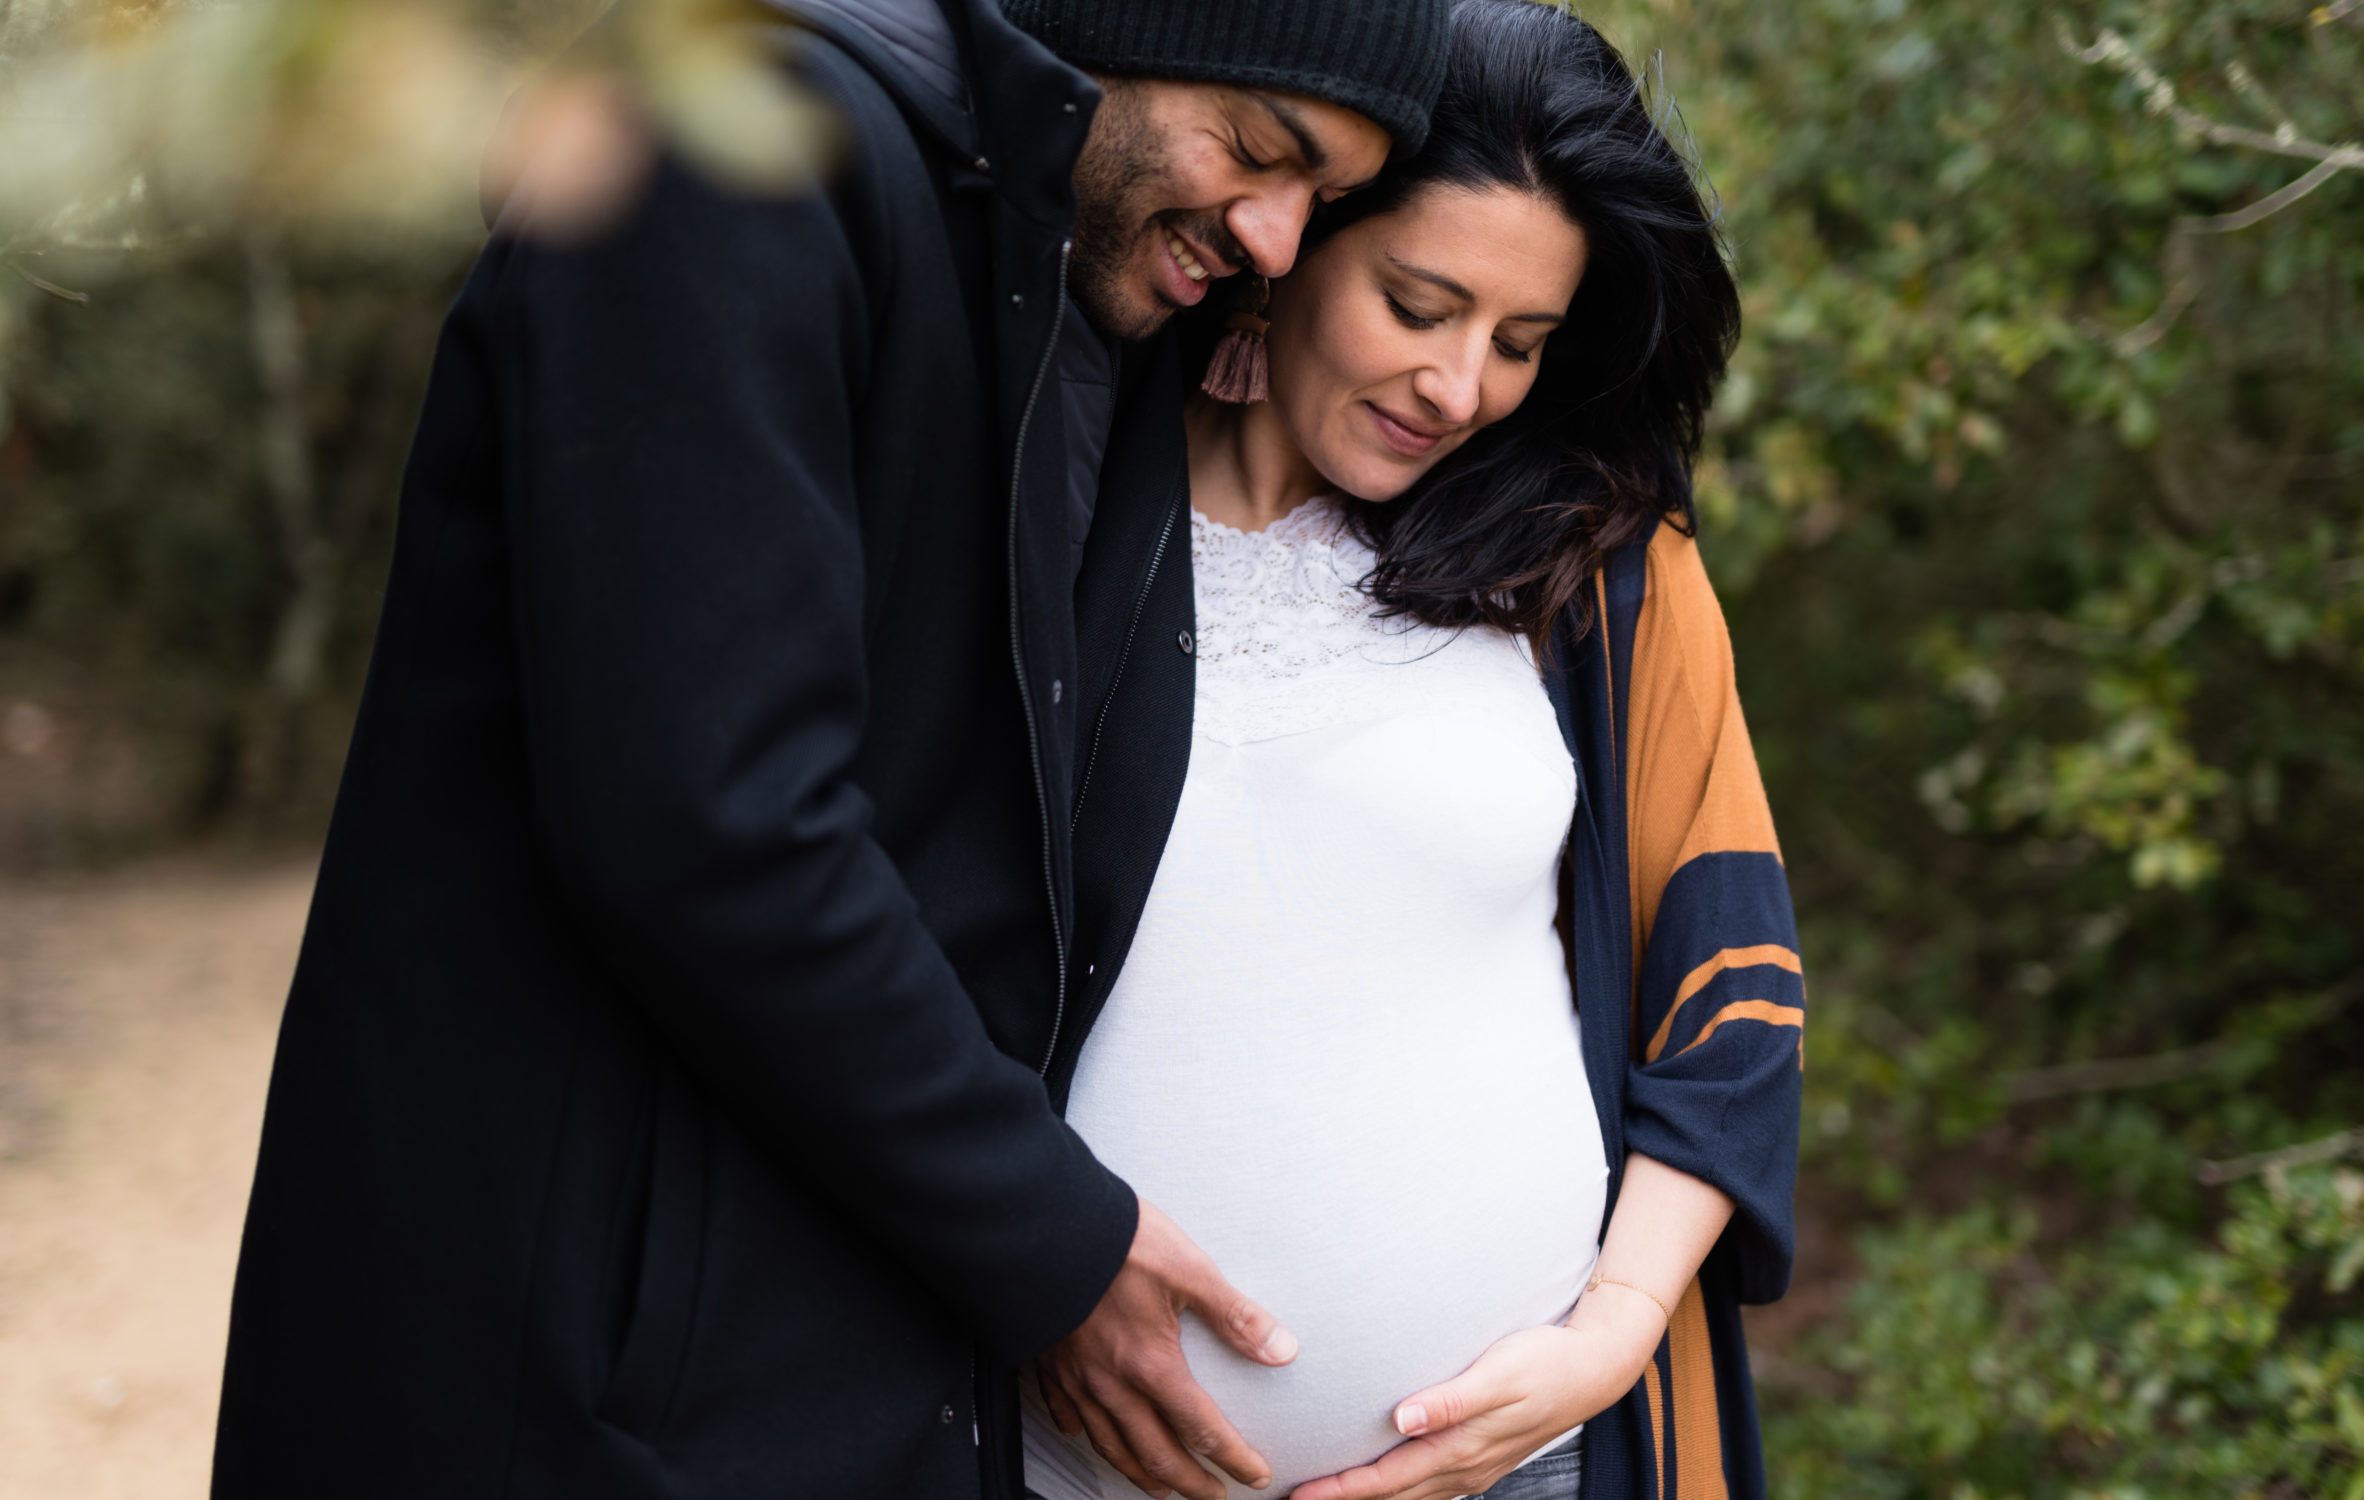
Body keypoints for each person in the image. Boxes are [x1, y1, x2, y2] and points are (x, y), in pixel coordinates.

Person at [207, 2, 1445, 1497]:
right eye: (1261, 153)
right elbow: (709, 820)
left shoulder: (1055, 262)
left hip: (834, 1360)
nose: (1274, 238)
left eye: (1326, 203)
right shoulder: (731, 153)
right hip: (587, 1379)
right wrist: (1050, 1239)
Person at [1021, 5, 1800, 1499]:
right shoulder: (1046, 508)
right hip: (1056, 1459)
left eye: (1521, 342)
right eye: (1419, 303)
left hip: (1525, 1458)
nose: (1462, 389)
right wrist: (1027, 1258)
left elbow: (1734, 993)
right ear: (1291, 237)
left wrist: (1618, 1330)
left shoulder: (1597, 569)